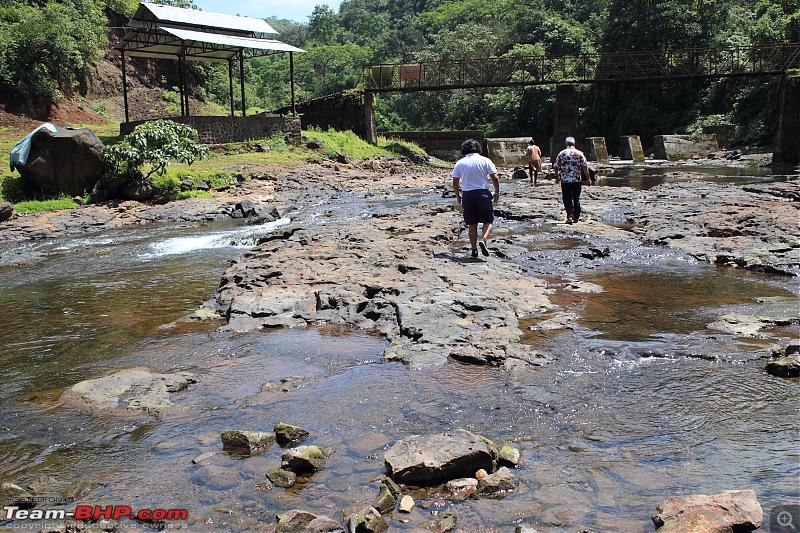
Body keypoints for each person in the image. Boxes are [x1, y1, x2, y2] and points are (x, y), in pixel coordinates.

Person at [452, 139, 500, 258]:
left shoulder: (460, 163)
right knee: (488, 221)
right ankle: (483, 239)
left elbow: (455, 181)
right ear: (478, 148)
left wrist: (458, 195)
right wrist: (497, 192)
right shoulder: (485, 160)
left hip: (468, 195)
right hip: (482, 193)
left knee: (472, 224)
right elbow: (495, 178)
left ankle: (474, 250)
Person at [553, 136, 591, 223]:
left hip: (565, 180)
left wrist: (557, 176)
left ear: (566, 144)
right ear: (574, 144)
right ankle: (576, 217)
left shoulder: (561, 153)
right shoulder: (579, 153)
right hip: (576, 180)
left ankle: (569, 216)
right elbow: (585, 167)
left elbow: (556, 166)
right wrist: (588, 178)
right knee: (576, 198)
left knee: (567, 198)